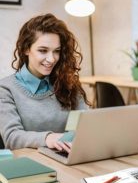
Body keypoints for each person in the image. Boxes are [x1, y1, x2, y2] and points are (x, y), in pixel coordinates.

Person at [0, 13, 91, 152]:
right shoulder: (6, 89)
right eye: (43, 51)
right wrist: (48, 138)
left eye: (57, 51)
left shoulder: (67, 82)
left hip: (68, 159)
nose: (51, 59)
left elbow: (84, 124)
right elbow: (12, 137)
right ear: (26, 49)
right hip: (32, 166)